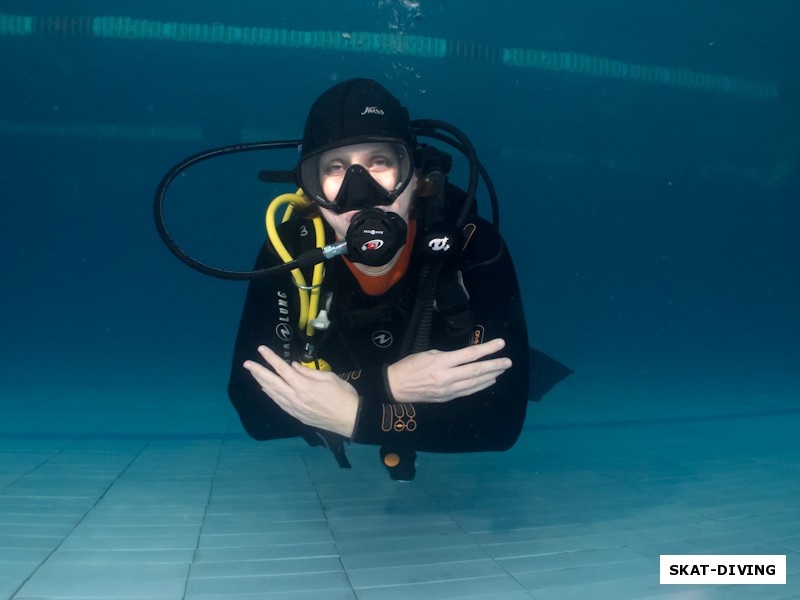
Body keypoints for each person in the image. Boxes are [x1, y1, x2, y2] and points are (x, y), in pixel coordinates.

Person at [227, 78, 535, 480]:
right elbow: (254, 410)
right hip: (384, 383)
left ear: (416, 175)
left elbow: (500, 424)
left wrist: (355, 416)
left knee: (513, 372)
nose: (360, 191)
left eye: (379, 163)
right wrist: (384, 386)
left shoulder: (471, 244)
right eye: (335, 168)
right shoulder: (290, 253)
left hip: (435, 376)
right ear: (310, 188)